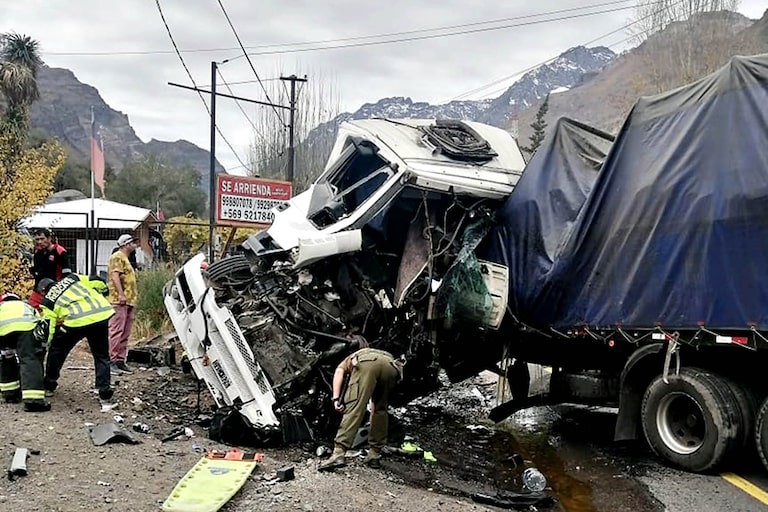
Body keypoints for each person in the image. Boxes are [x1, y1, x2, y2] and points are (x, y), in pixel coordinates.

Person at [36, 274, 116, 411]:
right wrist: (102, 294)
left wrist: (45, 345)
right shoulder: (73, 278)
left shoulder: (48, 300)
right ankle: (104, 394)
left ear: (43, 291)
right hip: (100, 314)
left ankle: (49, 384)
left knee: (57, 351)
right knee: (101, 355)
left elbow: (49, 326)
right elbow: (98, 282)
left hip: (75, 321)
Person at [319, 347, 404, 471]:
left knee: (355, 407)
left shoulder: (349, 359)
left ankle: (338, 453)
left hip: (367, 364)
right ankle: (374, 454)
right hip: (391, 366)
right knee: (380, 410)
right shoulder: (377, 352)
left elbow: (339, 372)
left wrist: (336, 399)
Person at [0, 293, 49, 412]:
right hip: (26, 328)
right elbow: (40, 322)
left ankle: (10, 393)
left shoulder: (1, 307)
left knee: (6, 357)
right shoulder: (26, 306)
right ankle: (33, 401)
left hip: (2, 331)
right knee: (29, 359)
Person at [107, 234, 138, 375]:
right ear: (125, 244)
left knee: (125, 331)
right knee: (116, 330)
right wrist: (120, 294)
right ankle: (111, 360)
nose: (134, 244)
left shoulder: (126, 258)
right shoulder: (117, 257)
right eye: (132, 242)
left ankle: (120, 359)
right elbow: (115, 276)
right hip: (119, 300)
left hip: (129, 300)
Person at [29, 228, 71, 308]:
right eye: (37, 240)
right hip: (39, 289)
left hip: (54, 289)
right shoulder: (38, 252)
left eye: (42, 239)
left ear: (49, 238)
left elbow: (66, 273)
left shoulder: (59, 251)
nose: (39, 242)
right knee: (32, 308)